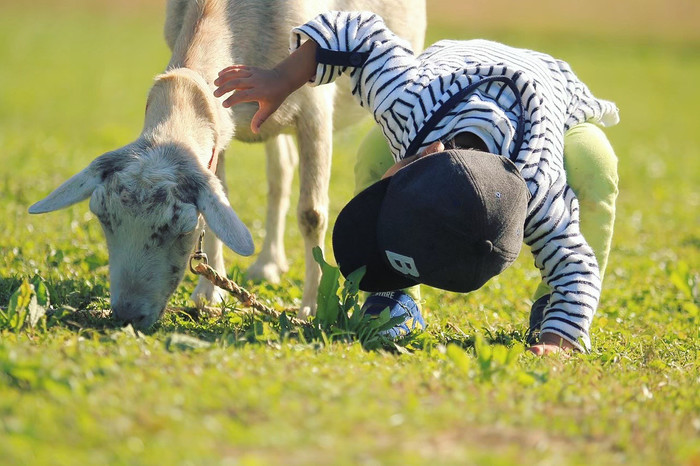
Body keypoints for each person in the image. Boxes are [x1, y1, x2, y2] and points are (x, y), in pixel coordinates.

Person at [213, 11, 620, 355]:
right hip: (457, 74)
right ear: (426, 154)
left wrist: (559, 341)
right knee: (375, 153)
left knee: (593, 164)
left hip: (550, 104)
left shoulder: (538, 189)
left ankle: (551, 309)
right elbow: (356, 30)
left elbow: (574, 267)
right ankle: (395, 298)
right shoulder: (406, 100)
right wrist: (280, 79)